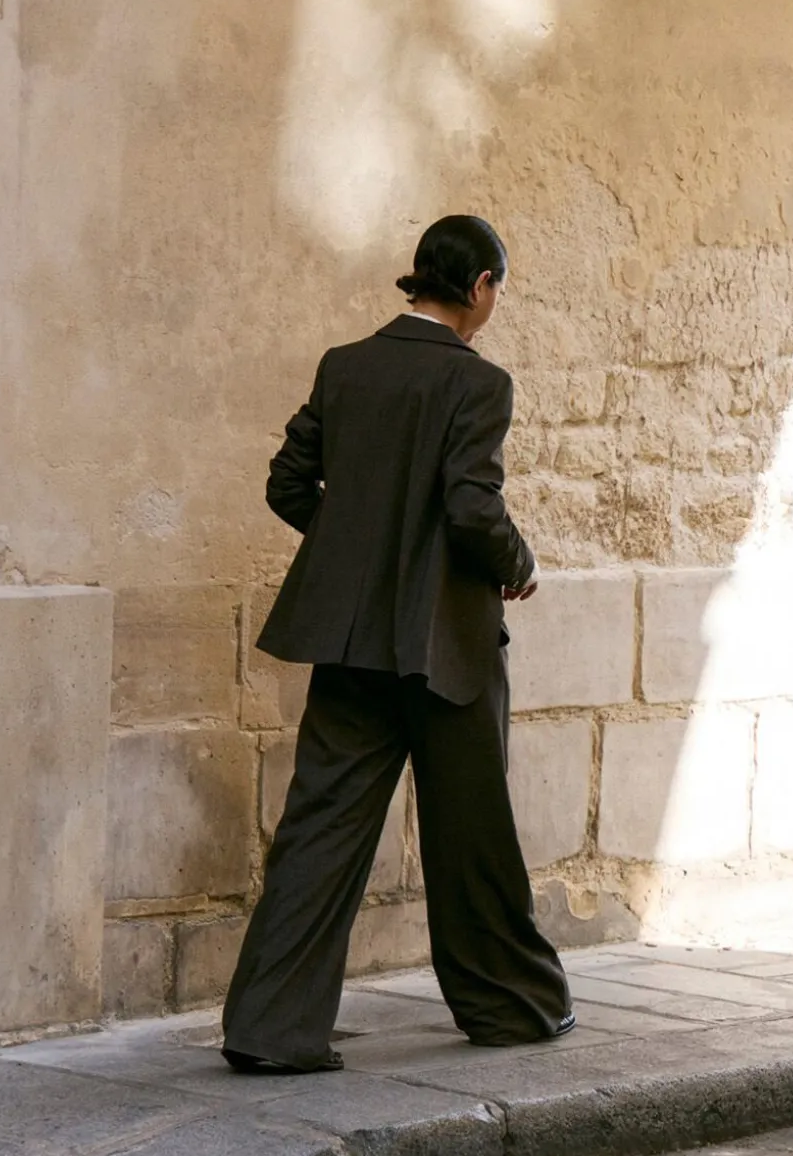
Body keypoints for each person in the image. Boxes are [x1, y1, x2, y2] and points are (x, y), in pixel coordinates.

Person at [222, 214, 574, 1074]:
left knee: (318, 830)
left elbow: (286, 483)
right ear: (481, 288)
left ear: (416, 280)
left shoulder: (345, 367)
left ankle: (268, 1031)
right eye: (499, 290)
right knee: (471, 834)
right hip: (446, 648)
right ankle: (509, 1005)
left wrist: (354, 552)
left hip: (349, 644)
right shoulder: (479, 385)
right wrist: (517, 563)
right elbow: (470, 507)